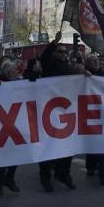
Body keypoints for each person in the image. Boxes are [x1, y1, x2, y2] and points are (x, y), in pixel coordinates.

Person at [36, 33, 80, 191]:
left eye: (64, 52)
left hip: (65, 111)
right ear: (55, 53)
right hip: (48, 111)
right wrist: (54, 42)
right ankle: (45, 177)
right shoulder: (49, 65)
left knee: (67, 145)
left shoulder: (67, 67)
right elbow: (44, 57)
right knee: (48, 146)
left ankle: (63, 174)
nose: (63, 54)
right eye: (60, 51)